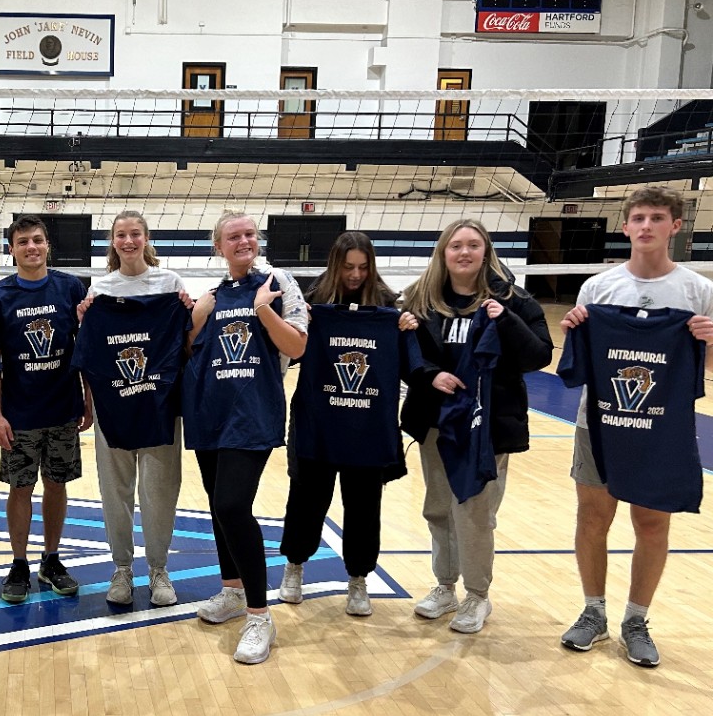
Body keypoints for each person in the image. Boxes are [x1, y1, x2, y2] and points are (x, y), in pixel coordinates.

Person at [559, 186, 713, 667]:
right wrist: (573, 327)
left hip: (661, 427)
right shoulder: (598, 289)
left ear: (676, 226)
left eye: (657, 218)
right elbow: (573, 368)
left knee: (651, 522)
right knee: (593, 518)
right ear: (625, 227)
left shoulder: (698, 290)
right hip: (597, 425)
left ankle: (636, 619)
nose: (646, 226)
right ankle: (592, 613)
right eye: (639, 218)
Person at [400, 218, 552, 635]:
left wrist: (505, 320)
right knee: (438, 508)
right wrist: (429, 374)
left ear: (486, 251)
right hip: (437, 420)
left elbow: (539, 355)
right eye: (455, 246)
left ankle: (477, 595)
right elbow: (402, 357)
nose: (464, 252)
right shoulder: (420, 300)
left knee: (475, 510)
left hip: (487, 425)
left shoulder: (513, 300)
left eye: (473, 245)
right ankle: (445, 586)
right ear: (443, 253)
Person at [184, 211, 308, 664]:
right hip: (210, 413)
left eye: (249, 234)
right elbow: (187, 349)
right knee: (219, 507)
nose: (243, 241)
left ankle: (260, 615)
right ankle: (232, 591)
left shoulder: (278, 283)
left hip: (253, 414)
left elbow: (296, 346)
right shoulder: (213, 295)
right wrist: (195, 319)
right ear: (219, 247)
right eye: (233, 236)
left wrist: (261, 309)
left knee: (234, 505)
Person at [279, 231, 418, 617]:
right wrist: (298, 321)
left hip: (367, 428)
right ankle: (294, 566)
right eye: (348, 267)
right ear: (335, 264)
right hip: (318, 421)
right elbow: (291, 351)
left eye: (362, 267)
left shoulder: (389, 306)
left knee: (363, 506)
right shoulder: (313, 301)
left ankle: (358, 578)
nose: (355, 275)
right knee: (306, 500)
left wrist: (405, 326)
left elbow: (410, 365)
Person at [76, 210, 190, 607]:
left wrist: (187, 311)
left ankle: (159, 569)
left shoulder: (169, 283)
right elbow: (89, 354)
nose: (128, 241)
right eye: (121, 235)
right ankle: (121, 568)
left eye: (135, 234)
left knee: (159, 491)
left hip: (159, 406)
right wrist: (90, 403)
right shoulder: (99, 289)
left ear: (146, 238)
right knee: (115, 492)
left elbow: (186, 341)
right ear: (112, 241)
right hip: (114, 407)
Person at [0, 216, 92, 604]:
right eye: (23, 241)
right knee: (20, 487)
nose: (32, 247)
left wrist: (88, 402)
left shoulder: (70, 287)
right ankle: (19, 563)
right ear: (12, 248)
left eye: (38, 240)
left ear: (48, 246)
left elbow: (86, 347)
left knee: (57, 485)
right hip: (19, 412)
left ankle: (51, 559)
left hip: (62, 408)